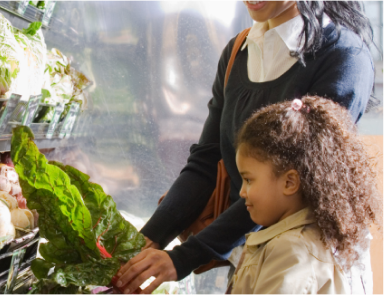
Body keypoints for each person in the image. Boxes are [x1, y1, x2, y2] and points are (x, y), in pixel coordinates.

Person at [116, 0, 376, 294]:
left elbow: (285, 184)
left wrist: (182, 259)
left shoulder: (344, 56)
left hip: (302, 262)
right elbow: (206, 162)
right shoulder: (238, 51)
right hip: (248, 257)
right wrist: (147, 241)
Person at [226, 96, 383, 294]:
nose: (242, 192)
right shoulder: (341, 238)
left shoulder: (290, 252)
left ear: (290, 182)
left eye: (249, 180)